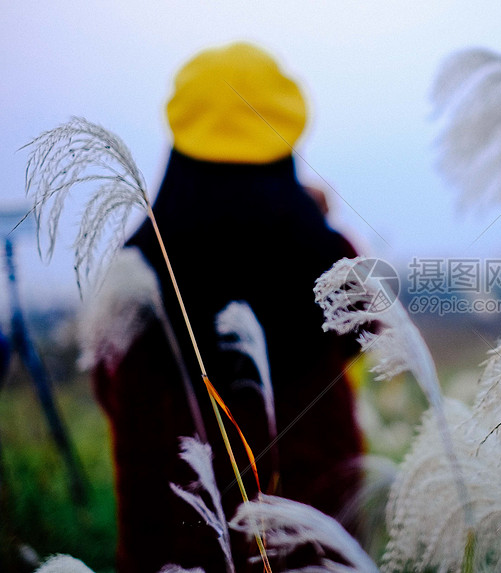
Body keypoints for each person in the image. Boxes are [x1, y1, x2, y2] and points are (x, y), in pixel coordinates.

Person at [88, 42, 364, 573]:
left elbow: (109, 385)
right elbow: (365, 336)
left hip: (177, 546)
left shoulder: (136, 271)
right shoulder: (325, 253)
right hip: (313, 539)